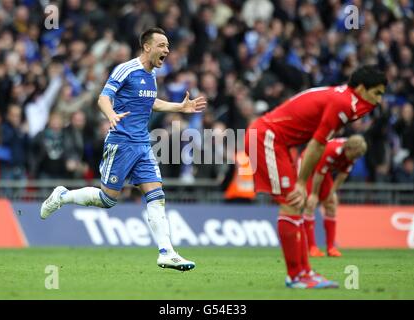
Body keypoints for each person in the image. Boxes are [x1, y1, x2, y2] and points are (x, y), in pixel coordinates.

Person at [40, 28, 206, 271]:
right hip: (121, 143)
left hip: (142, 145)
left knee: (157, 196)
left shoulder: (151, 75)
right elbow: (103, 98)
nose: (167, 50)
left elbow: (150, 102)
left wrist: (179, 107)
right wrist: (111, 115)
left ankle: (166, 252)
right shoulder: (126, 69)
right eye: (162, 45)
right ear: (147, 47)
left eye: (168, 46)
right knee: (107, 200)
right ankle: (63, 196)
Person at [245, 65, 386, 289]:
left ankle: (305, 272)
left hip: (275, 140)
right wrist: (302, 183)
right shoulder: (342, 105)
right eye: (376, 93)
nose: (378, 100)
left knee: (295, 205)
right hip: (267, 138)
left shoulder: (342, 97)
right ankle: (297, 276)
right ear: (361, 88)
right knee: (292, 203)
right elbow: (317, 144)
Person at [302, 135, 367, 258]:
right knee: (310, 202)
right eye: (354, 156)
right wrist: (315, 194)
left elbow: (342, 176)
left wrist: (330, 193)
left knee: (332, 203)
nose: (354, 159)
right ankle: (311, 247)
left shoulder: (352, 155)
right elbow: (318, 174)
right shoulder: (332, 151)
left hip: (322, 171)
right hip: (308, 164)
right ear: (349, 149)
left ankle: (331, 247)